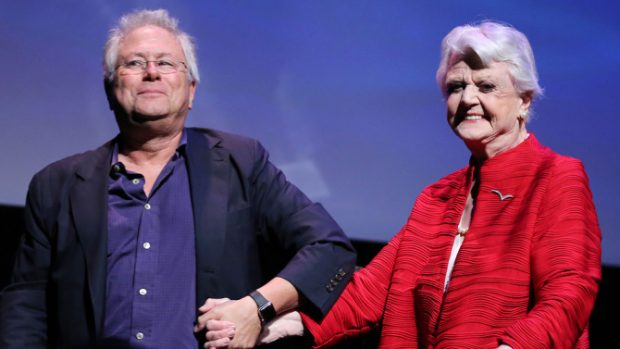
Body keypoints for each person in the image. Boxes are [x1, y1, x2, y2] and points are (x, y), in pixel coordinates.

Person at [205, 21, 602, 349]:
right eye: (456, 87)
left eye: (486, 86)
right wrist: (269, 321)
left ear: (525, 100)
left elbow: (570, 294)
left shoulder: (557, 177)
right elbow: (368, 293)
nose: (468, 99)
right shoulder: (437, 197)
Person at [0, 9, 356, 349]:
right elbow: (25, 304)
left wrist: (257, 307)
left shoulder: (242, 162)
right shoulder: (56, 184)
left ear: (191, 91)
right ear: (110, 89)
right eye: (134, 63)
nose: (151, 72)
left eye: (167, 63)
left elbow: (329, 248)